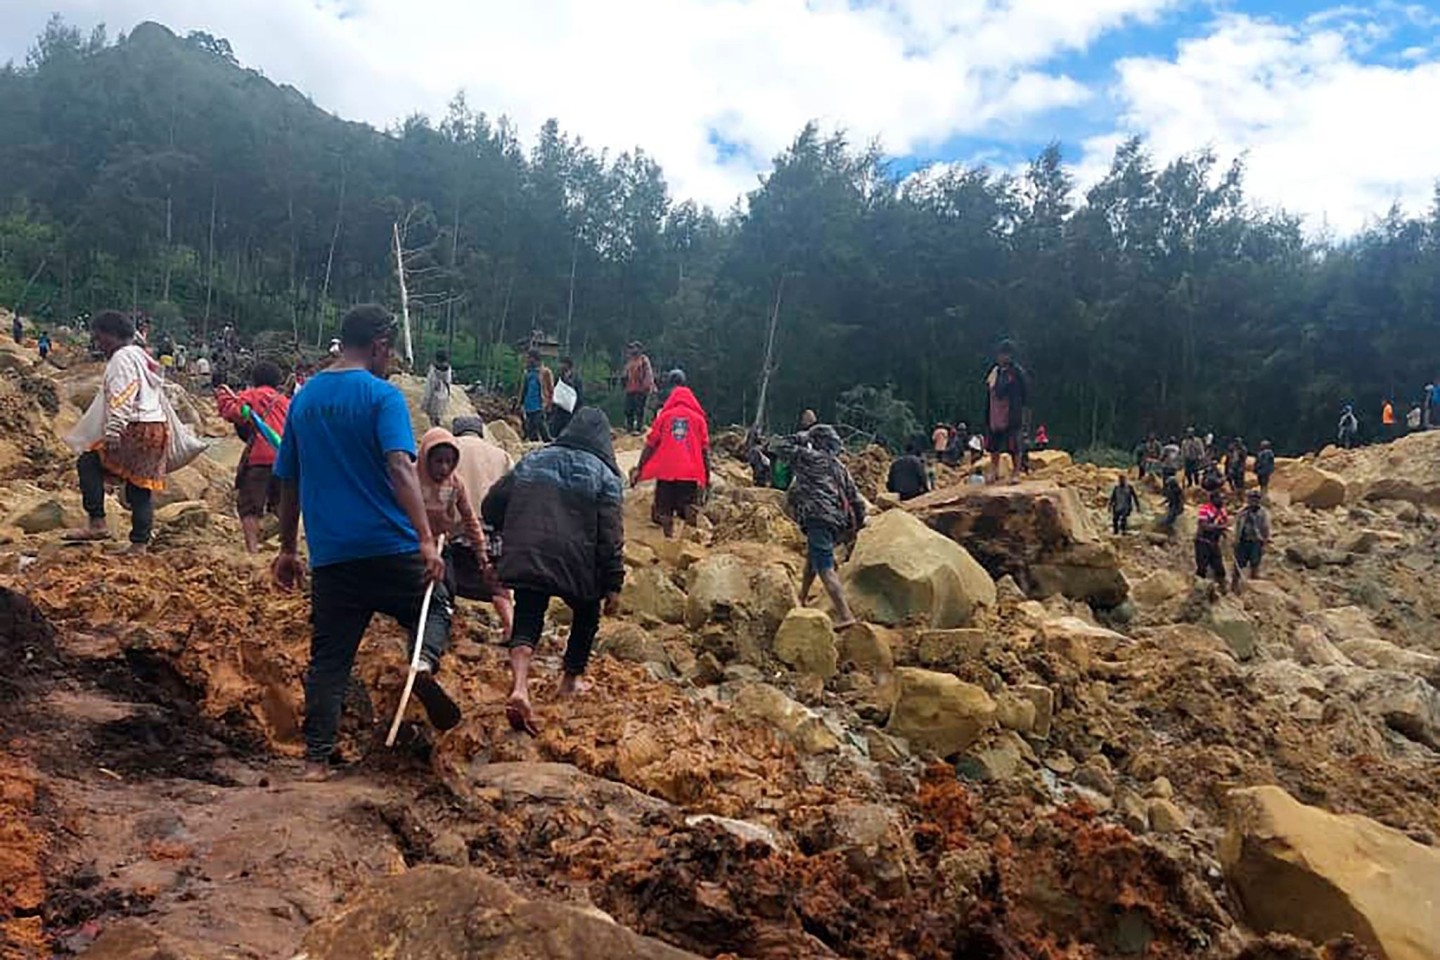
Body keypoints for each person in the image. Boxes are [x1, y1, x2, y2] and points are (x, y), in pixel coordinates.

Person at [271, 304, 459, 783]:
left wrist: (288, 550)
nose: (390, 359)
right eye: (389, 350)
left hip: (333, 556)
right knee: (435, 604)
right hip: (390, 546)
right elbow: (400, 467)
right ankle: (421, 662)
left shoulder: (305, 399)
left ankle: (315, 762)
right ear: (378, 345)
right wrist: (425, 540)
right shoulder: (383, 397)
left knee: (330, 659)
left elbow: (289, 480)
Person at [482, 408, 625, 737]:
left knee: (529, 615)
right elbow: (610, 535)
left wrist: (505, 535)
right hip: (578, 563)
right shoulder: (606, 475)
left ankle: (520, 686)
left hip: (530, 552)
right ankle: (570, 679)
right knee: (586, 615)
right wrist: (613, 583)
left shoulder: (534, 460)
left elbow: (492, 503)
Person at [62, 311, 169, 550]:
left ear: (113, 335)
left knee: (89, 462)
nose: (99, 345)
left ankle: (97, 522)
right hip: (156, 428)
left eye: (101, 338)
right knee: (139, 486)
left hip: (135, 427)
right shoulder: (143, 357)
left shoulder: (121, 358)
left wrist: (114, 429)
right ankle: (140, 544)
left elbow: (124, 393)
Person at [777, 424, 864, 628]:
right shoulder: (839, 467)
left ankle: (845, 615)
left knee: (825, 568)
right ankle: (802, 597)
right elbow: (856, 499)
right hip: (837, 522)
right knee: (813, 558)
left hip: (818, 517)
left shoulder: (809, 458)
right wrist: (857, 527)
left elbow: (777, 446)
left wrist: (799, 437)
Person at [450, 416, 515, 638]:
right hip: (492, 532)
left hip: (457, 529)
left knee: (446, 581)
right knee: (499, 588)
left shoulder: (449, 449)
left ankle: (443, 626)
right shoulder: (501, 455)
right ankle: (511, 629)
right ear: (480, 432)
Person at [216, 360, 290, 554]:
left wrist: (223, 397)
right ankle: (285, 547)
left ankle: (252, 549)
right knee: (281, 503)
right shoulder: (285, 401)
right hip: (284, 458)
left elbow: (233, 413)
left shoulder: (251, 396)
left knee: (250, 506)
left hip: (259, 458)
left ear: (254, 379)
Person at [633, 370, 711, 540]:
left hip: (666, 470)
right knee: (689, 507)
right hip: (689, 471)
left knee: (665, 509)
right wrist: (707, 475)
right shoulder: (698, 419)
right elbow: (705, 449)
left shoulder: (664, 417)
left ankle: (668, 541)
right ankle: (689, 543)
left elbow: (650, 445)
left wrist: (640, 467)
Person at [983, 340, 1029, 484]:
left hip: (1011, 412)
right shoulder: (995, 372)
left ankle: (1016, 473)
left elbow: (1025, 392)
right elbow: (989, 391)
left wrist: (1023, 410)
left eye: (1005, 354)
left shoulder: (1017, 373)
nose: (1002, 357)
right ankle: (994, 471)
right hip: (995, 413)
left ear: (1011, 356)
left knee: (1014, 445)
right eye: (1001, 354)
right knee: (993, 445)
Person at [1231, 489, 1271, 592]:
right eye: (1251, 499)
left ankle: (1254, 588)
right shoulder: (1243, 511)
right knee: (1238, 564)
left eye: (1255, 499)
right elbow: (1237, 526)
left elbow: (1265, 528)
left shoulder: (1263, 513)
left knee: (1255, 563)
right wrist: (1235, 540)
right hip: (1243, 541)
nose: (1253, 501)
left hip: (1256, 541)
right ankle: (1234, 587)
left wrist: (1265, 541)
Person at [1195, 490, 1230, 590]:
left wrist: (1223, 530)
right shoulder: (1204, 509)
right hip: (1203, 541)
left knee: (1219, 567)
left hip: (1214, 542)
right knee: (1202, 567)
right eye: (1220, 498)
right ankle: (1198, 589)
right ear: (1213, 499)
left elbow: (1225, 523)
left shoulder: (1222, 510)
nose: (1222, 500)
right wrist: (1220, 528)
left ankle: (1221, 590)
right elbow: (1204, 526)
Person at [517, 349, 554, 442]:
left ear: (535, 359)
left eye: (529, 358)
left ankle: (548, 441)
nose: (528, 360)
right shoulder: (528, 373)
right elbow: (523, 389)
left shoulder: (545, 372)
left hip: (539, 404)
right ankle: (534, 443)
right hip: (528, 404)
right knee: (530, 427)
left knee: (540, 424)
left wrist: (549, 403)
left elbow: (550, 389)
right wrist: (519, 402)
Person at [622, 341, 655, 434]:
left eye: (634, 348)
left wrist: (647, 386)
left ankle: (638, 428)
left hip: (640, 389)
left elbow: (648, 374)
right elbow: (626, 373)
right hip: (630, 389)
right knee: (628, 409)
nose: (632, 350)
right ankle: (629, 428)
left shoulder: (643, 360)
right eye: (631, 348)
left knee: (639, 409)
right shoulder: (630, 361)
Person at [550, 356, 583, 437]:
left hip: (570, 412)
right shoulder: (558, 377)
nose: (560, 366)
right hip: (559, 411)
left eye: (563, 364)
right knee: (555, 432)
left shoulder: (576, 379)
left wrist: (577, 410)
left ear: (568, 365)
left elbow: (579, 395)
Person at [422, 350, 453, 428]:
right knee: (439, 418)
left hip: (434, 397)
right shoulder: (448, 370)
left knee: (432, 419)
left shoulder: (433, 371)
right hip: (444, 394)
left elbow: (429, 388)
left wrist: (425, 405)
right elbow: (449, 383)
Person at [1161, 469, 1185, 537]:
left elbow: (1181, 498)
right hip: (1172, 504)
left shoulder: (1176, 490)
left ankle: (1170, 529)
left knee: (1171, 517)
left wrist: (1180, 506)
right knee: (1170, 516)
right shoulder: (1170, 489)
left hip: (1176, 505)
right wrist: (1164, 502)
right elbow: (1169, 498)